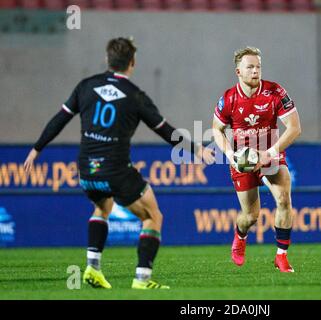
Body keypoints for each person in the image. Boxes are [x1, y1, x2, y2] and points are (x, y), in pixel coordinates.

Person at [24, 37, 215, 289]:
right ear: (132, 63)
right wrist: (195, 149)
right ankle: (142, 279)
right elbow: (165, 131)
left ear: (107, 59)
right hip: (115, 169)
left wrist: (37, 148)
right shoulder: (135, 96)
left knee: (102, 207)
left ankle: (93, 268)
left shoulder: (86, 86)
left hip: (86, 169)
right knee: (153, 216)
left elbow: (59, 119)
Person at [212, 47, 301, 272]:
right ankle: (240, 237)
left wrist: (270, 153)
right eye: (250, 67)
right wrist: (231, 156)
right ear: (238, 72)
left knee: (283, 199)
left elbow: (294, 128)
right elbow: (216, 130)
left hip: (269, 154)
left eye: (258, 67)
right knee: (250, 216)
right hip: (243, 160)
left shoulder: (275, 92)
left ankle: (281, 256)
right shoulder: (229, 98)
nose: (255, 71)